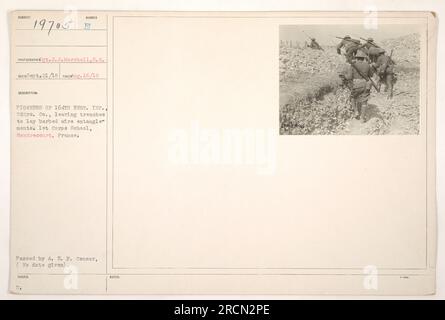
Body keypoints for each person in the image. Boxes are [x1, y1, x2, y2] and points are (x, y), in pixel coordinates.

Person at [344, 50, 374, 122]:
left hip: (356, 84)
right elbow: (371, 75)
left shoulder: (353, 65)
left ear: (356, 57)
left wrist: (344, 75)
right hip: (365, 84)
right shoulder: (367, 65)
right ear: (363, 58)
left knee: (353, 97)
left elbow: (349, 77)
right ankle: (362, 118)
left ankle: (355, 112)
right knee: (364, 101)